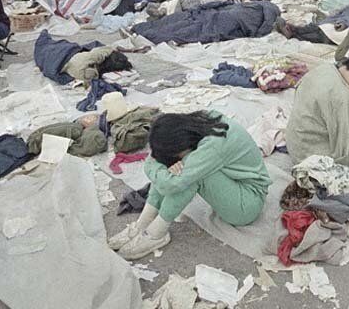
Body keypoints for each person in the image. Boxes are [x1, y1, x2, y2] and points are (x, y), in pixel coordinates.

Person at [109, 110, 270, 260]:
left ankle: (156, 234)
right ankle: (142, 224)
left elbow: (170, 185)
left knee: (187, 176)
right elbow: (154, 159)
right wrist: (163, 165)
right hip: (234, 183)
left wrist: (159, 168)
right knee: (174, 168)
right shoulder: (199, 122)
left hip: (247, 204)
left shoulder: (212, 146)